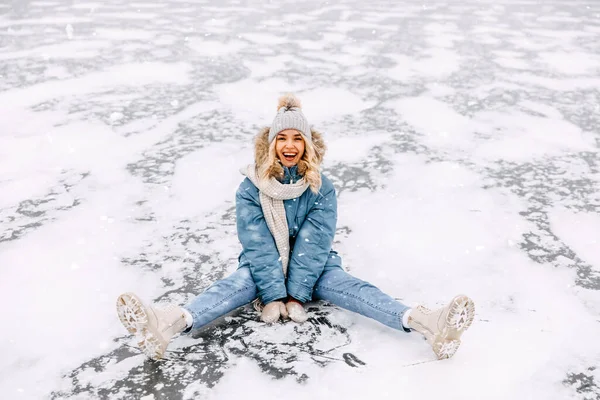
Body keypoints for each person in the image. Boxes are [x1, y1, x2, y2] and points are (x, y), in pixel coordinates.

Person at [116, 94, 475, 361]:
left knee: (351, 287)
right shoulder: (250, 188)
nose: (290, 145)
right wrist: (273, 293)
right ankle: (168, 323)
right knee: (236, 285)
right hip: (262, 265)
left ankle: (428, 322)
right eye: (283, 138)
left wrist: (296, 293)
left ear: (307, 145)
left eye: (297, 138)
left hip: (316, 265)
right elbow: (258, 246)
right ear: (271, 144)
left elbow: (314, 242)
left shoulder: (322, 186)